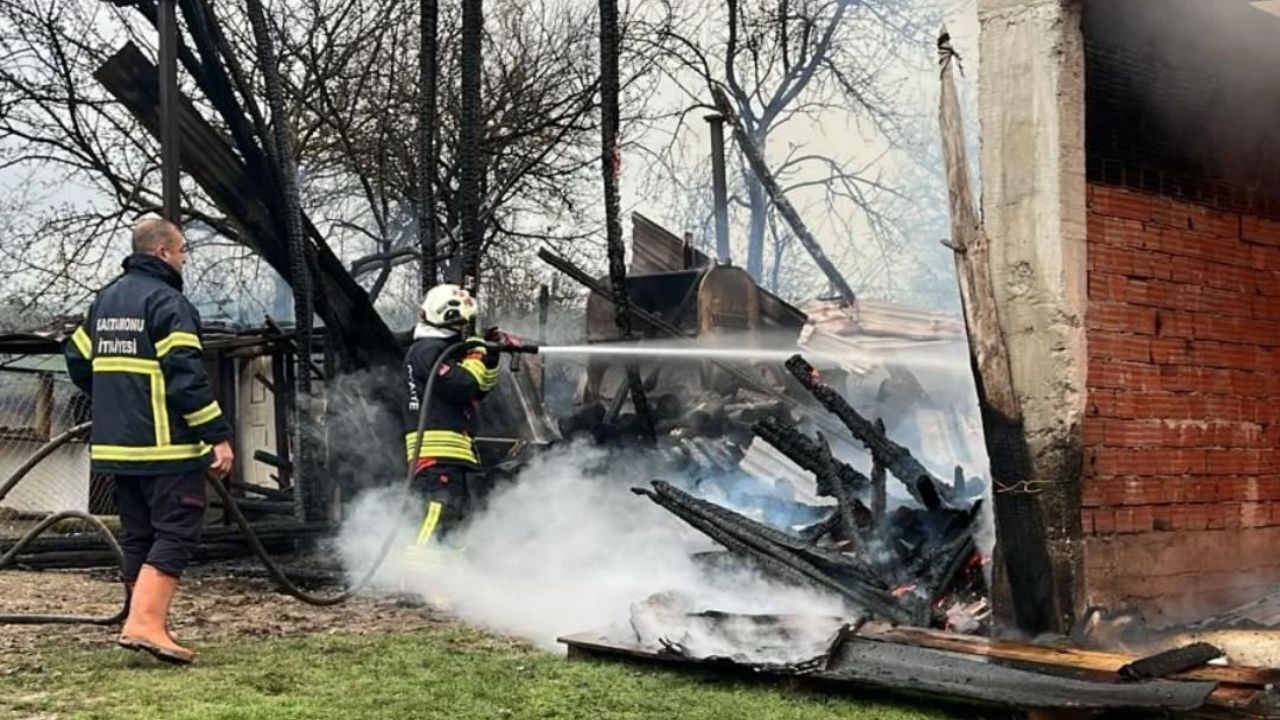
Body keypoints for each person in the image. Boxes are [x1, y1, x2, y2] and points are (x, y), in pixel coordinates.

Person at [65, 215, 234, 665]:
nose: (184, 259)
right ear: (162, 252)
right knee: (177, 531)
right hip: (166, 447)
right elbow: (187, 380)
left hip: (117, 447)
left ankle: (142, 622)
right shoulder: (168, 302)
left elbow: (76, 357)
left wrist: (115, 399)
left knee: (139, 535)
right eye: (182, 251)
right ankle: (144, 621)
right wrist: (217, 436)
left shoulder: (106, 300)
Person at [403, 283, 501, 550]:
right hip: (436, 455)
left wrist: (489, 359)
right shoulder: (426, 351)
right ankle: (419, 574)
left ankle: (444, 580)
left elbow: (478, 390)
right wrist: (476, 353)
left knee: (454, 520)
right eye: (463, 324)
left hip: (452, 455)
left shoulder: (437, 351)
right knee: (437, 514)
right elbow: (465, 383)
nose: (464, 330)